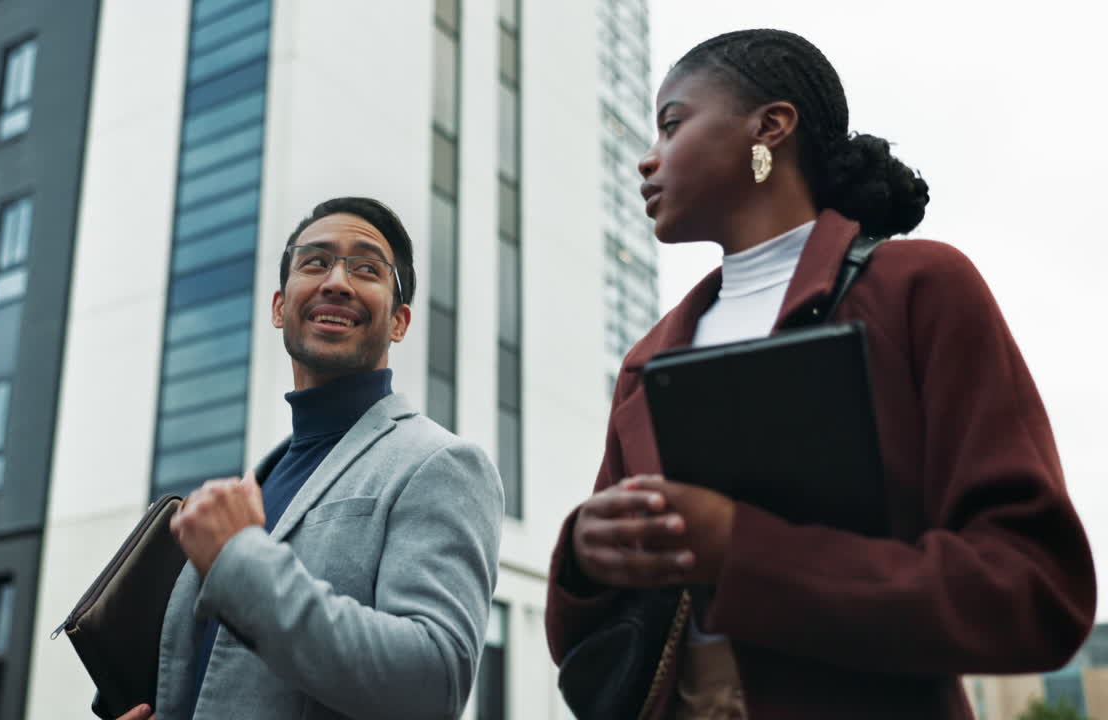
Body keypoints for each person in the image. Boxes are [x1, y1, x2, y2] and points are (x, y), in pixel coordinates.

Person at [544, 29, 1097, 719]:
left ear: (769, 128)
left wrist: (739, 550)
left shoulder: (920, 289)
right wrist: (587, 560)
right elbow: (595, 644)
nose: (646, 161)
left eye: (671, 124)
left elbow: (1033, 590)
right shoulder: (649, 358)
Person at [116, 197, 504, 720]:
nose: (337, 281)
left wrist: (238, 562)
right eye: (315, 262)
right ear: (280, 307)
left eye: (366, 268)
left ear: (399, 322)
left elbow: (432, 683)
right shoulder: (259, 481)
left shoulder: (441, 464)